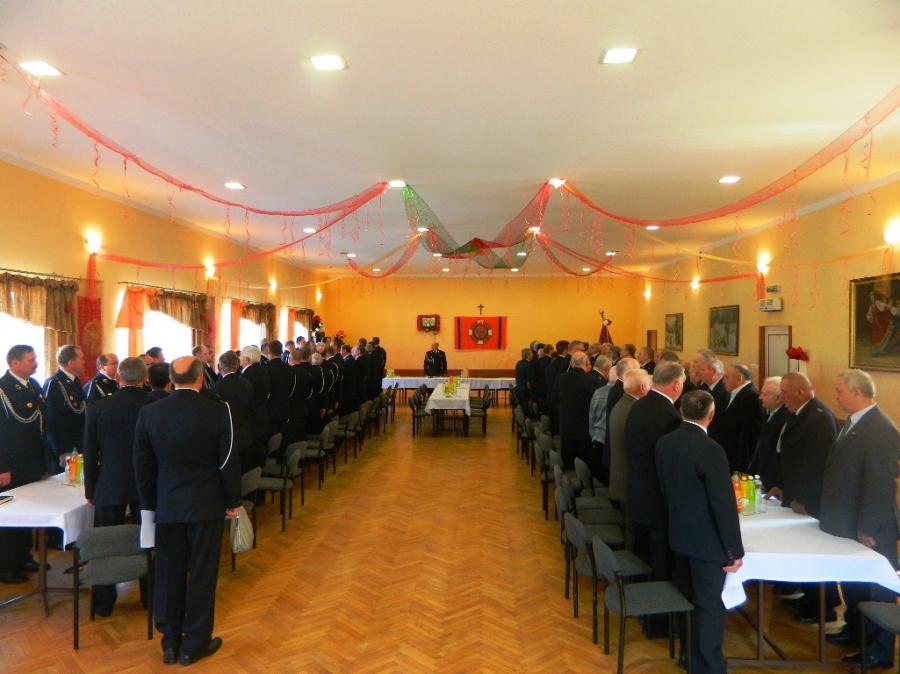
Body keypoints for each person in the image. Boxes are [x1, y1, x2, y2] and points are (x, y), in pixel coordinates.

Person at [134, 356, 241, 666]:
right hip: (206, 504)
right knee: (203, 575)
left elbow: (142, 465)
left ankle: (169, 640)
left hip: (167, 505)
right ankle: (194, 643)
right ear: (200, 379)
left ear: (171, 380)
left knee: (168, 571)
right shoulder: (219, 411)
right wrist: (232, 501)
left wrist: (148, 505)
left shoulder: (150, 413)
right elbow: (227, 461)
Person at [656, 390, 744, 674]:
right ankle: (709, 666)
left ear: (681, 410)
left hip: (679, 535)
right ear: (711, 414)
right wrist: (734, 550)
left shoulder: (665, 442)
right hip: (707, 543)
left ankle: (689, 655)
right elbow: (723, 504)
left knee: (687, 597)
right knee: (709, 606)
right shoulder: (711, 449)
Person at [819, 370, 900, 669]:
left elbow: (880, 484)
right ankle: (856, 631)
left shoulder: (881, 429)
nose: (836, 396)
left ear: (857, 392)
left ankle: (879, 650)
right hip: (848, 520)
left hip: (872, 525)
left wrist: (868, 527)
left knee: (875, 588)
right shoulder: (855, 422)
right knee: (854, 581)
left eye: (840, 390)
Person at [82, 356, 153, 615]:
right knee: (149, 540)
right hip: (147, 482)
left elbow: (90, 453)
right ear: (144, 378)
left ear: (118, 378)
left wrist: (91, 490)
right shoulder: (155, 405)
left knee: (106, 544)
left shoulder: (99, 408)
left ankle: (103, 603)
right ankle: (151, 598)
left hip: (109, 482)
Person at [769, 371, 838, 623]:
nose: (782, 398)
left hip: (810, 501)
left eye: (785, 393)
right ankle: (809, 597)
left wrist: (803, 499)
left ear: (801, 392)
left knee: (814, 551)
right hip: (794, 493)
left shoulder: (819, 417)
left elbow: (816, 464)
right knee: (801, 549)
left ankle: (824, 606)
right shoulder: (800, 413)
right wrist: (781, 486)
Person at [625, 361, 685, 583]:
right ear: (676, 385)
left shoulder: (639, 405)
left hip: (637, 490)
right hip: (656, 498)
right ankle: (657, 600)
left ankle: (638, 593)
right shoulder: (669, 417)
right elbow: (670, 463)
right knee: (659, 558)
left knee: (641, 553)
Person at [0, 345, 47, 584]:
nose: (35, 363)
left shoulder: (33, 385)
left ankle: (23, 556)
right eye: (30, 360)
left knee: (28, 513)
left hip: (32, 461)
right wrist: (2, 467)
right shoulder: (3, 389)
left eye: (35, 358)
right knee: (11, 517)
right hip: (12, 464)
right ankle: (6, 566)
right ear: (14, 363)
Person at [608, 368, 651, 507]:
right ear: (643, 387)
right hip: (627, 481)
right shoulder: (634, 409)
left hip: (620, 477)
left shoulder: (622, 403)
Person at [42, 344, 86, 475]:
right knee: (68, 481)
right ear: (71, 362)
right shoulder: (54, 383)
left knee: (78, 481)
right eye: (81, 358)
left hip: (78, 444)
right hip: (65, 447)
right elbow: (51, 420)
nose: (84, 361)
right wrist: (60, 450)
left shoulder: (74, 381)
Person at [555, 352, 601, 469]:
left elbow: (554, 399)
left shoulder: (561, 378)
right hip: (584, 427)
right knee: (583, 464)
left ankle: (566, 479)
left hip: (566, 424)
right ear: (586, 363)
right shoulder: (593, 381)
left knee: (568, 460)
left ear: (571, 363)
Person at [716, 364, 764, 472]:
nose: (723, 381)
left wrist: (745, 463)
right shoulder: (734, 393)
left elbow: (754, 433)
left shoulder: (751, 397)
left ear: (739, 378)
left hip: (739, 460)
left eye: (727, 377)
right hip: (729, 455)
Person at [214, 351, 256, 473]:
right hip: (246, 433)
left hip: (228, 438)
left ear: (219, 367)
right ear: (237, 366)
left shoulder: (217, 388)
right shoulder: (247, 383)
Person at [747, 377, 787, 491]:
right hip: (761, 477)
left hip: (770, 482)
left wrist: (767, 482)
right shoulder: (771, 414)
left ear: (778, 398)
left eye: (764, 394)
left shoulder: (784, 418)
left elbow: (775, 456)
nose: (760, 397)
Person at [240, 345, 270, 467]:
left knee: (252, 456)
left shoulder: (247, 375)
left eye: (241, 356)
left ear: (247, 359)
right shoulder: (263, 370)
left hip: (252, 418)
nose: (239, 358)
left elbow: (247, 399)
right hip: (263, 414)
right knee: (259, 452)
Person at [264, 340, 294, 441]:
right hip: (286, 407)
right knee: (284, 439)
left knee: (273, 441)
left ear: (269, 351)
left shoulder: (266, 369)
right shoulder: (289, 368)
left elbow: (266, 391)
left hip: (271, 410)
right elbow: (291, 388)